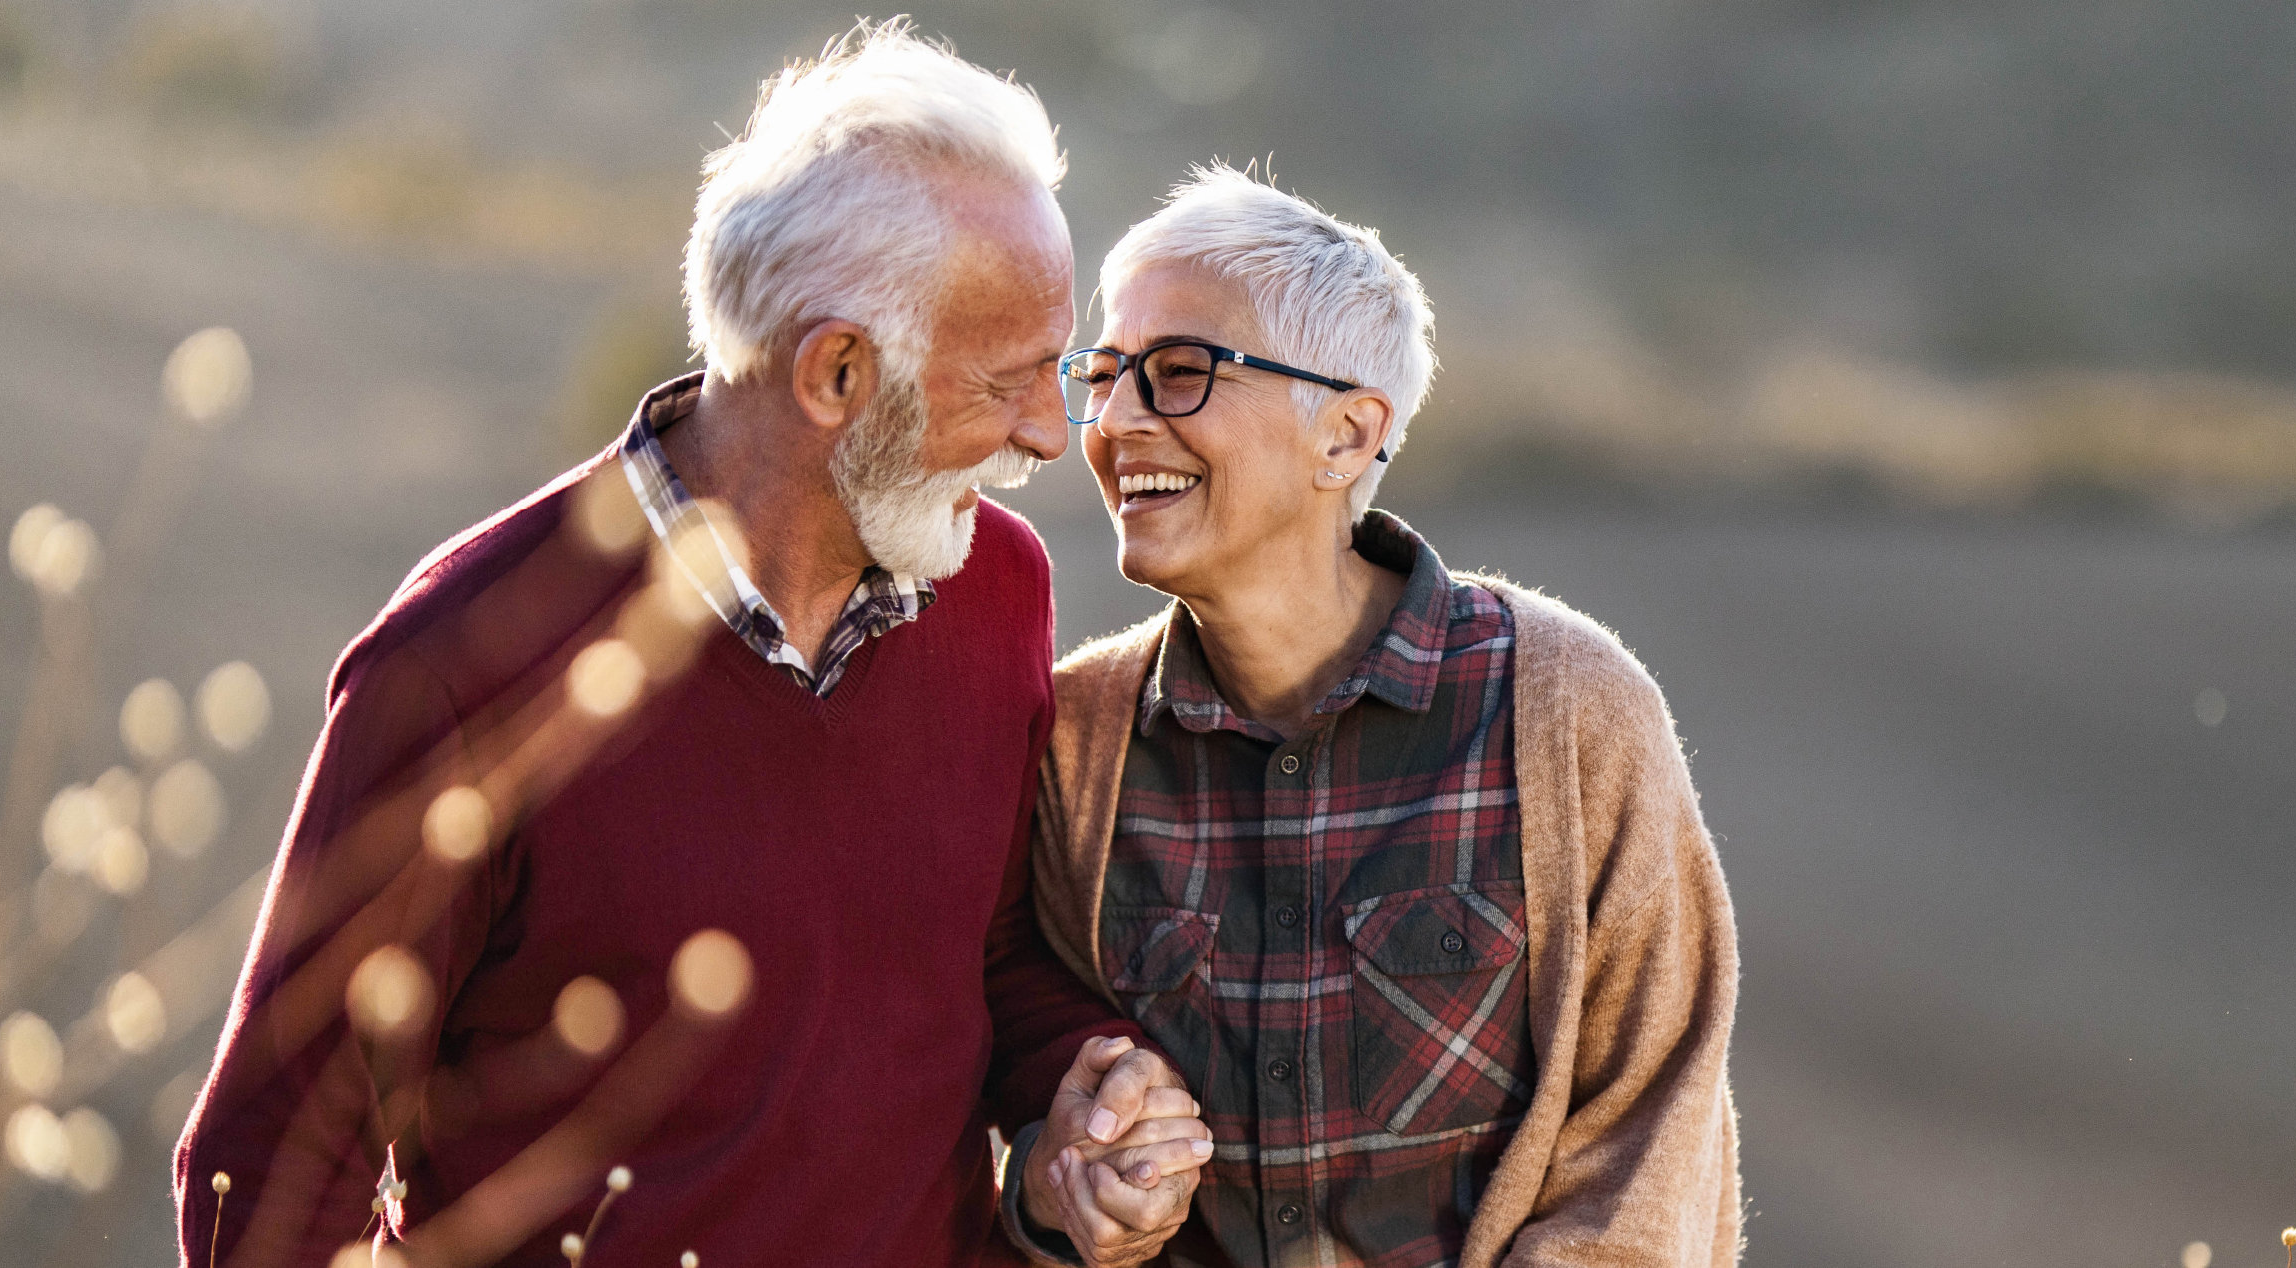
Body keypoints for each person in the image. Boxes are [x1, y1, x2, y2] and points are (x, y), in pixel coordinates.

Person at [175, 26, 1205, 1268]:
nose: (1054, 431)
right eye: (1008, 381)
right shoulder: (462, 670)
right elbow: (268, 1180)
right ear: (834, 372)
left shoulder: (998, 589)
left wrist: (1087, 1094)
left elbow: (974, 956)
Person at [1020, 166, 1745, 1268]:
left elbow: (1653, 1143)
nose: (1118, 423)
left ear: (1349, 437)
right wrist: (1062, 1199)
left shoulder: (1567, 710)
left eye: (1175, 374)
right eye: (1106, 374)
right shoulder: (1076, 744)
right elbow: (1024, 1103)